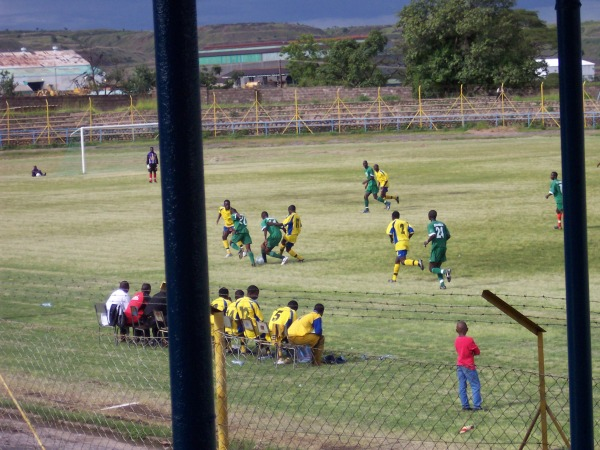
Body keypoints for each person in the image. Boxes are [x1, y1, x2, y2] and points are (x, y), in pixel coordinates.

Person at [386, 210, 423, 283]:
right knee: (397, 260)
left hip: (400, 243)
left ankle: (417, 262)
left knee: (403, 261)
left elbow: (389, 232)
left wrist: (391, 239)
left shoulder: (393, 222)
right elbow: (412, 231)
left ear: (392, 217)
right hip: (406, 242)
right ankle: (393, 279)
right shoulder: (405, 222)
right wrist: (407, 238)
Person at [455, 320, 482, 411]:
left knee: (462, 385)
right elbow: (477, 352)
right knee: (475, 385)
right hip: (469, 365)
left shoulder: (457, 340)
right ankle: (477, 406)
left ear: (456, 330)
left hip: (459, 365)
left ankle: (465, 406)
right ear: (467, 329)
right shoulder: (469, 340)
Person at [423, 210, 452, 290]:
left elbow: (433, 235)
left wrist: (427, 241)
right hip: (443, 247)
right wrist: (442, 241)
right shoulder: (442, 224)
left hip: (436, 248)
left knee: (431, 268)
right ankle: (442, 285)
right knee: (438, 267)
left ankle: (446, 272)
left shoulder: (431, 225)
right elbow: (448, 235)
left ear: (429, 216)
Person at [235, 285, 265, 354]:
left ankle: (243, 349)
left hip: (244, 329)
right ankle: (263, 352)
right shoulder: (253, 303)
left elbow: (237, 318)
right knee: (265, 331)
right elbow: (261, 319)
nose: (257, 296)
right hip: (253, 330)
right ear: (251, 293)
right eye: (256, 294)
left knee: (241, 330)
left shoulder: (238, 301)